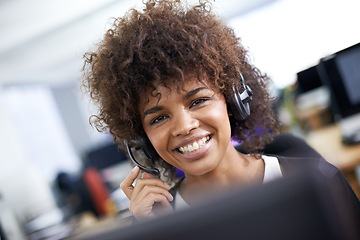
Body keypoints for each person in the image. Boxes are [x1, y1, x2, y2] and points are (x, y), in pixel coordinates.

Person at [82, 0, 360, 222]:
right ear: (142, 139)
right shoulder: (159, 220)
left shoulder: (319, 180)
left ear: (232, 99)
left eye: (198, 101)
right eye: (160, 118)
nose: (184, 126)